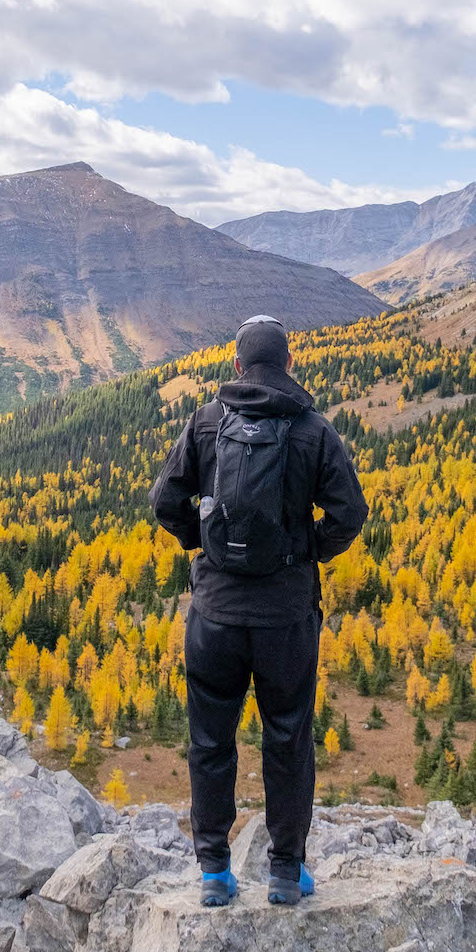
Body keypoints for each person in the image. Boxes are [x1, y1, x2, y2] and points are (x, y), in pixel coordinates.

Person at [150, 314, 367, 907]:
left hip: (215, 616)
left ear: (238, 366)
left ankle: (215, 871)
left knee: (210, 739)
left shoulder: (206, 423)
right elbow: (350, 513)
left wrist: (201, 545)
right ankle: (285, 871)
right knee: (288, 737)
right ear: (289, 365)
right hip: (285, 619)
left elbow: (166, 500)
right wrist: (307, 553)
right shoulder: (313, 430)